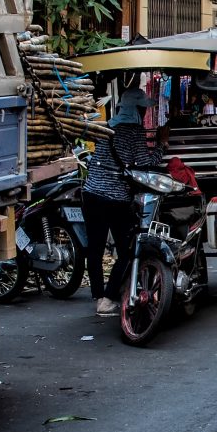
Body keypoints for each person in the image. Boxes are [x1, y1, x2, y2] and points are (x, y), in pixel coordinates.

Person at [79, 84, 157, 318]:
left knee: (95, 248)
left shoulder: (107, 128)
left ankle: (98, 296)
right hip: (115, 200)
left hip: (91, 195)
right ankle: (109, 298)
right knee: (126, 250)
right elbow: (145, 162)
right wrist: (162, 145)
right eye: (143, 109)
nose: (145, 113)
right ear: (137, 110)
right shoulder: (133, 132)